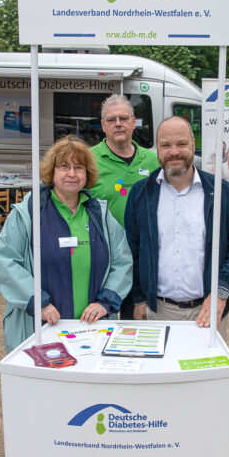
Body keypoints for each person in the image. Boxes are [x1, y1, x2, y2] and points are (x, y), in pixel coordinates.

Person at [0, 136, 132, 352]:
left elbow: (122, 262)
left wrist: (104, 302)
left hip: (90, 329)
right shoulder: (29, 212)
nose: (72, 173)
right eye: (64, 167)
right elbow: (5, 260)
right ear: (52, 172)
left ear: (87, 174)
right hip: (40, 327)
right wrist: (38, 301)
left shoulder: (100, 214)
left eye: (79, 167)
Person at [124, 117, 229, 338]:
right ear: (157, 148)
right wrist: (139, 298)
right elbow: (132, 251)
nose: (174, 151)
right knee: (161, 372)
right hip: (156, 312)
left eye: (181, 144)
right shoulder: (140, 194)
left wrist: (222, 292)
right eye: (165, 145)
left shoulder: (222, 193)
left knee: (205, 372)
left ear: (193, 145)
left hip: (207, 310)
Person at [88, 93, 159, 318]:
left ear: (133, 121)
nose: (118, 124)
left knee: (135, 327)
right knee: (99, 326)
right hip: (103, 260)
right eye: (111, 119)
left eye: (123, 118)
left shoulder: (152, 161)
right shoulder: (89, 161)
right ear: (103, 125)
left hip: (141, 261)